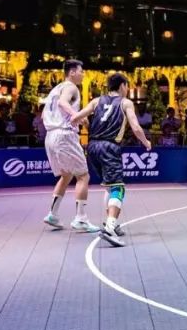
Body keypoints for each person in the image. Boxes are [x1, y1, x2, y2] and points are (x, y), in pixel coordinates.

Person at [70, 72, 152, 247]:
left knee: (109, 185)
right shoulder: (125, 103)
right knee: (118, 188)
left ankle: (110, 222)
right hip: (109, 147)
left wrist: (87, 124)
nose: (127, 89)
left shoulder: (96, 101)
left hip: (92, 146)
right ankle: (110, 228)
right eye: (127, 85)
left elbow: (75, 118)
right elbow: (136, 127)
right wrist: (146, 142)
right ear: (122, 85)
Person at [40, 59, 101, 233]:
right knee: (83, 176)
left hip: (50, 136)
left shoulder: (55, 89)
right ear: (72, 72)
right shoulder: (71, 87)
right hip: (65, 135)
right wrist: (78, 116)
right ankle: (81, 219)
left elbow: (44, 115)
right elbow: (63, 103)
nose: (83, 74)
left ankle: (52, 214)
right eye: (81, 71)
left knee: (66, 175)